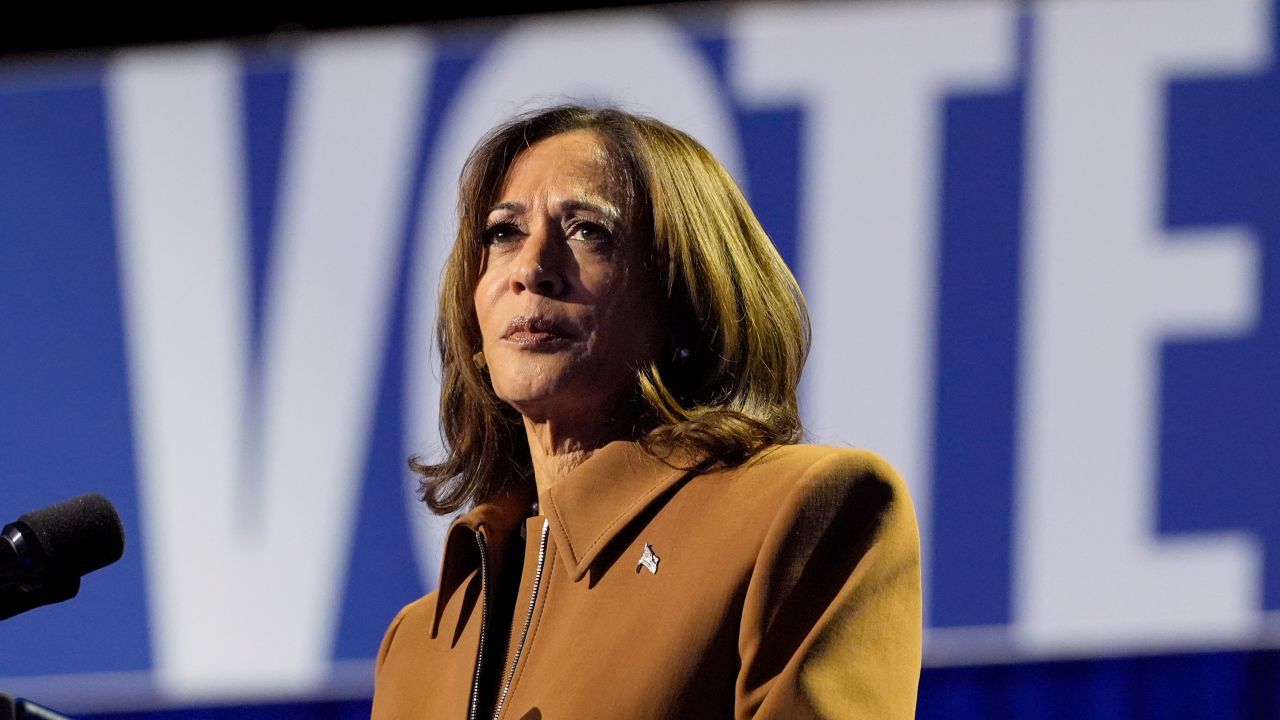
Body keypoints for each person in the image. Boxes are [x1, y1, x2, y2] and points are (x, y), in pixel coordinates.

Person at [371, 105, 921, 719]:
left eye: (588, 231)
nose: (531, 269)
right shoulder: (417, 643)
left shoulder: (803, 511)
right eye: (503, 233)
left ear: (686, 295)